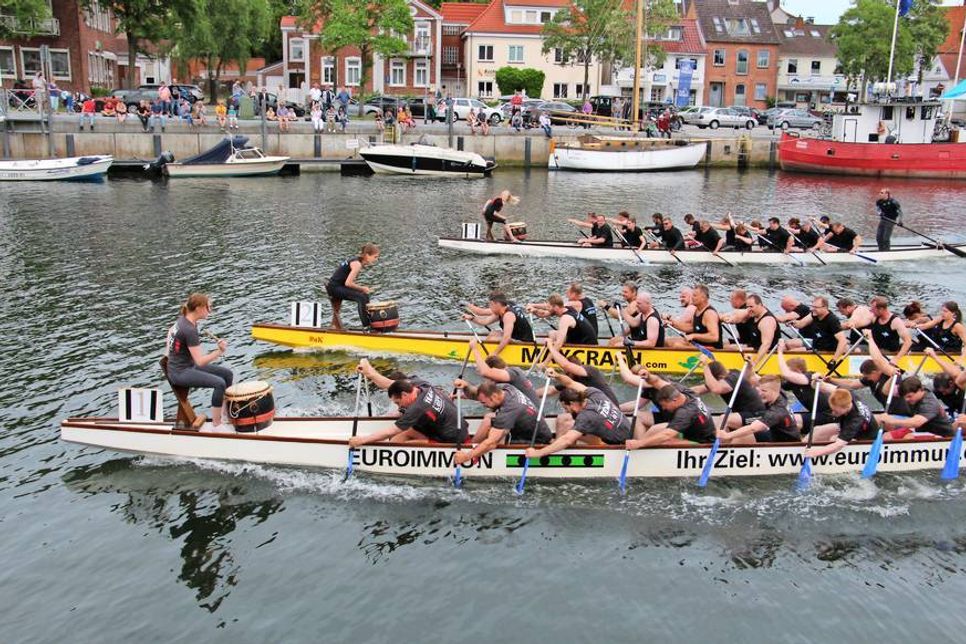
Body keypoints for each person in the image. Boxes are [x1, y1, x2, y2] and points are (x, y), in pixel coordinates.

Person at [165, 293, 234, 429]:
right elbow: (200, 362)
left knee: (227, 374)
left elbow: (170, 331)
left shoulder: (184, 320)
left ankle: (225, 414)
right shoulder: (189, 329)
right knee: (219, 383)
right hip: (180, 373)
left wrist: (168, 353)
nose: (210, 311)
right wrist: (219, 351)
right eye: (208, 307)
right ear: (198, 308)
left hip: (183, 367)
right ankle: (217, 425)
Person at [525, 381, 633, 459]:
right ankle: (556, 446)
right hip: (627, 431)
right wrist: (557, 375)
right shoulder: (595, 394)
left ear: (572, 404)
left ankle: (559, 452)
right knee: (565, 419)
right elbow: (570, 382)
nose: (566, 411)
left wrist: (538, 453)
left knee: (568, 431)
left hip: (619, 445)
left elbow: (567, 440)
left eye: (565, 408)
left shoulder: (586, 417)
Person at [453, 380, 551, 466]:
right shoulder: (506, 388)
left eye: (484, 403)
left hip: (536, 440)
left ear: (494, 396)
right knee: (489, 417)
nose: (484, 406)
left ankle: (469, 451)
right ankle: (471, 445)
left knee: (495, 439)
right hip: (530, 426)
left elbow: (491, 444)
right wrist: (466, 386)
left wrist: (466, 457)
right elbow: (479, 392)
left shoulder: (509, 409)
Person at [348, 379, 468, 448]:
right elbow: (391, 382)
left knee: (401, 442)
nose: (399, 407)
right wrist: (369, 373)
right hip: (460, 430)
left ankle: (387, 458)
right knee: (407, 430)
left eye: (398, 402)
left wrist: (362, 440)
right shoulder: (423, 386)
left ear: (404, 394)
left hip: (452, 442)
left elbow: (391, 431)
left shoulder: (417, 408)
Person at [827, 330, 913, 417]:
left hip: (904, 415)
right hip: (890, 414)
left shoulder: (890, 373)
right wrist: (831, 380)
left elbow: (877, 359)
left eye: (867, 376)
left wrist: (870, 339)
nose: (866, 378)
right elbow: (851, 384)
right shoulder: (870, 380)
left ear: (874, 372)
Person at [625, 384, 716, 448]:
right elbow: (658, 381)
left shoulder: (685, 412)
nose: (663, 408)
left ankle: (639, 449)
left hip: (702, 443)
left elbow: (666, 435)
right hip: (693, 431)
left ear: (674, 400)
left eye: (664, 405)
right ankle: (639, 447)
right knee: (656, 430)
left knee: (663, 440)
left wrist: (640, 443)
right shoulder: (687, 392)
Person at [716, 375, 799, 444]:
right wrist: (750, 365)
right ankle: (722, 446)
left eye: (764, 391)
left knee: (743, 437)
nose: (760, 394)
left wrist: (728, 435)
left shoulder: (777, 411)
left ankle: (728, 452)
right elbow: (753, 377)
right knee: (741, 433)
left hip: (786, 443)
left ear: (774, 391)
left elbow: (753, 428)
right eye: (759, 390)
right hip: (775, 432)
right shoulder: (778, 392)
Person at [692, 356, 766, 428]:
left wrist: (706, 367)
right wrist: (685, 392)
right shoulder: (732, 373)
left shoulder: (731, 380)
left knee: (723, 420)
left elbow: (716, 389)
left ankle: (717, 437)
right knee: (722, 424)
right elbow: (698, 389)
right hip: (744, 414)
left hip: (757, 416)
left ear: (720, 377)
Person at [804, 388, 880, 458]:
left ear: (846, 407)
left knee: (833, 439)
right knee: (817, 430)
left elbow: (838, 445)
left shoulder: (855, 420)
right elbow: (829, 387)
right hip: (848, 425)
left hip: (865, 439)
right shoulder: (848, 394)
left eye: (836, 411)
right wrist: (816, 383)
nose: (833, 413)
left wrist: (815, 453)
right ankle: (801, 450)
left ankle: (815, 456)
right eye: (832, 409)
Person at [777, 342, 836, 428]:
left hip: (830, 414)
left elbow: (787, 374)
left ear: (798, 371)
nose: (785, 376)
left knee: (793, 419)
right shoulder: (792, 383)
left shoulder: (810, 375)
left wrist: (780, 352)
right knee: (785, 417)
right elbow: (774, 383)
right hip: (816, 413)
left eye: (789, 371)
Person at [467, 339, 539, 404]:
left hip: (530, 412)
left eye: (490, 378)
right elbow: (481, 393)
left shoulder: (512, 373)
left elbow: (485, 372)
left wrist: (474, 349)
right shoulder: (509, 376)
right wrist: (465, 387)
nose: (489, 380)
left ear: (495, 370)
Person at [326, 243, 379, 330]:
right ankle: (367, 327)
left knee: (364, 295)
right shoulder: (357, 264)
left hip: (338, 286)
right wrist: (363, 288)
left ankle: (369, 324)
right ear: (367, 255)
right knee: (361, 297)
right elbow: (348, 283)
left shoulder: (357, 261)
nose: (376, 260)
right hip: (334, 288)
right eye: (375, 257)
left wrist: (361, 290)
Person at [879, 377, 955, 438]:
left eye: (909, 396)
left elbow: (916, 422)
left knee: (909, 437)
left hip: (942, 436)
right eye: (905, 397)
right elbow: (886, 391)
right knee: (886, 436)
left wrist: (892, 421)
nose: (906, 400)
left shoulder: (929, 403)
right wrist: (893, 376)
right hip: (921, 431)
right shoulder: (910, 391)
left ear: (920, 390)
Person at [464, 292, 534, 354]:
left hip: (525, 343)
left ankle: (490, 356)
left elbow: (507, 338)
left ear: (495, 303)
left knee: (493, 339)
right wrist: (471, 318)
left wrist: (495, 353)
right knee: (493, 333)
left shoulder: (508, 315)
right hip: (519, 338)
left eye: (490, 305)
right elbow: (485, 321)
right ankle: (487, 353)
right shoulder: (504, 308)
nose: (490, 307)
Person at [784, 296, 849, 360]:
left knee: (793, 353)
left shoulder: (832, 320)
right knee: (789, 344)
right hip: (818, 343)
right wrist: (792, 322)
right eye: (812, 306)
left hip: (828, 349)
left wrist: (834, 360)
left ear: (824, 307)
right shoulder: (814, 314)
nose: (812, 309)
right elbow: (800, 324)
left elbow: (843, 341)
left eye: (816, 307)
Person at [664, 284, 722, 349]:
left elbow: (714, 337)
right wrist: (672, 323)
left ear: (703, 298)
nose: (692, 298)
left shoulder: (709, 313)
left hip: (712, 349)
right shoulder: (697, 310)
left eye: (694, 295)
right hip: (698, 344)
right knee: (666, 341)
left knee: (676, 345)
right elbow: (690, 328)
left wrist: (693, 336)